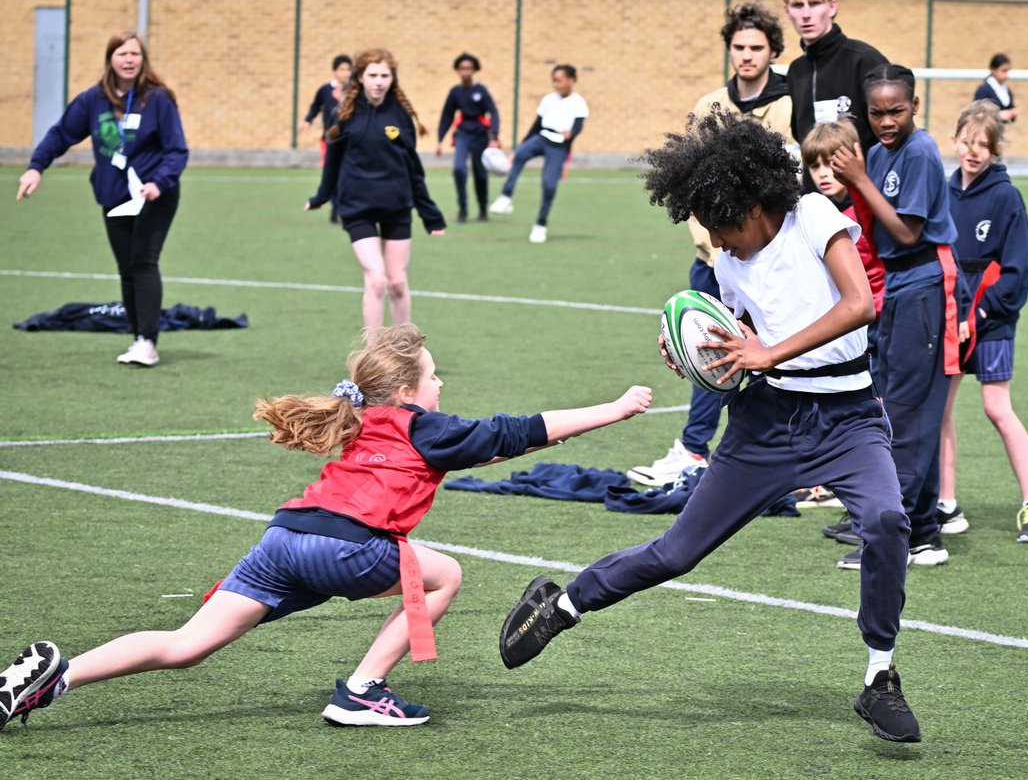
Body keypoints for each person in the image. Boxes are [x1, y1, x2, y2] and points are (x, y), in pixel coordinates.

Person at [500, 109, 924, 744]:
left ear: (755, 204)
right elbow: (738, 352)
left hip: (848, 419)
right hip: (767, 425)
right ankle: (562, 604)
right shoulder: (728, 266)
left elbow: (858, 305)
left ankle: (879, 676)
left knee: (888, 522)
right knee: (677, 553)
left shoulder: (813, 218)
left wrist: (768, 352)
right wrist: (701, 360)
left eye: (723, 227)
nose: (718, 243)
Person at [0, 324, 654, 730]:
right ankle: (363, 690)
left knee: (186, 643)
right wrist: (617, 409)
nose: (441, 381)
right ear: (405, 392)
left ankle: (58, 674)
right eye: (432, 376)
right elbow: (520, 431)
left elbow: (497, 445)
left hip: (280, 540)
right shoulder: (425, 426)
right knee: (444, 573)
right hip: (345, 547)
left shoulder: (360, 418)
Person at [627, 1, 793, 487]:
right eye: (739, 47)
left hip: (769, 257)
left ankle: (792, 459)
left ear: (772, 51)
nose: (746, 55)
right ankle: (694, 451)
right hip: (715, 260)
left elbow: (784, 183)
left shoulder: (786, 104)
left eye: (756, 48)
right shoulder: (709, 104)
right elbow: (691, 187)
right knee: (706, 352)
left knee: (778, 355)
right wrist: (712, 243)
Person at [830, 64, 963, 570]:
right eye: (876, 113)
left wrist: (859, 178)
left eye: (896, 111)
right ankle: (923, 532)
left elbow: (908, 234)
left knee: (905, 415)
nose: (886, 121)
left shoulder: (921, 152)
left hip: (924, 283)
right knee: (904, 411)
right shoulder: (884, 151)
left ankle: (896, 540)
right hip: (898, 287)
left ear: (915, 106)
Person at [16, 31, 188, 368]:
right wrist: (36, 167)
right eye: (122, 53)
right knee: (127, 269)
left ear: (143, 60)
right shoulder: (93, 100)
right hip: (114, 197)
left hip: (154, 195)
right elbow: (61, 133)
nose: (128, 60)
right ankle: (138, 337)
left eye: (135, 54)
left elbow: (177, 150)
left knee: (143, 261)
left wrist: (158, 182)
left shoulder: (158, 99)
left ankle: (149, 343)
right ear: (110, 58)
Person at [939, 100, 1028, 542]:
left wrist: (981, 312)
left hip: (992, 319)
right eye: (967, 143)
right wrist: (954, 311)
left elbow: (1015, 273)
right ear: (954, 142)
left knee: (996, 407)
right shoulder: (942, 193)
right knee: (940, 410)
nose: (973, 152)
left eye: (983, 146)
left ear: (996, 150)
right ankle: (945, 504)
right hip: (950, 318)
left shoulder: (1007, 197)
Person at [305, 48, 446, 331]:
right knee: (376, 279)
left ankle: (405, 351)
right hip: (357, 208)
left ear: (393, 78)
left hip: (396, 206)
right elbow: (331, 163)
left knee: (396, 281)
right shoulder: (343, 114)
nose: (379, 81)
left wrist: (430, 215)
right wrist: (321, 197)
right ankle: (373, 358)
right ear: (359, 77)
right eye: (372, 75)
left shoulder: (401, 116)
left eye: (385, 75)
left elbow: (413, 169)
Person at [799, 118, 887, 534]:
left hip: (878, 327)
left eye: (831, 164)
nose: (823, 174)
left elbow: (880, 275)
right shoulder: (817, 215)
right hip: (846, 335)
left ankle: (883, 506)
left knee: (877, 417)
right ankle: (845, 497)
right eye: (814, 166)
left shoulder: (860, 214)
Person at [781, 0, 888, 152]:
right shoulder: (796, 72)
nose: (806, 14)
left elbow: (890, 132)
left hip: (863, 177)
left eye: (815, 3)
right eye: (798, 5)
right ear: (787, 11)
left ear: (832, 7)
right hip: (814, 178)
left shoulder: (864, 61)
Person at [488, 64, 588, 244]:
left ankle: (540, 225)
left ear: (571, 80)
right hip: (541, 137)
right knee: (519, 156)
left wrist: (571, 134)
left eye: (559, 80)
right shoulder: (549, 99)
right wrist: (521, 146)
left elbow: (578, 125)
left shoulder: (578, 102)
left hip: (558, 145)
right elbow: (537, 124)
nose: (556, 85)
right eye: (553, 81)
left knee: (549, 185)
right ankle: (506, 197)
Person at [436, 52, 501, 224]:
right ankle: (463, 209)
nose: (466, 72)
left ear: (474, 70)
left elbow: (493, 112)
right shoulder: (455, 92)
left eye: (469, 68)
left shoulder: (481, 90)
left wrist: (494, 136)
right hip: (463, 133)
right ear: (458, 70)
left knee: (480, 173)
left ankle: (482, 209)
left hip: (480, 134)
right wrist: (439, 139)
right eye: (462, 68)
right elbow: (447, 115)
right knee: (459, 169)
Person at [299, 53, 352, 224]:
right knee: (331, 171)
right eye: (341, 70)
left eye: (348, 70)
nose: (345, 73)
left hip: (348, 140)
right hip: (329, 139)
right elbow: (315, 106)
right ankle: (335, 205)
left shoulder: (354, 91)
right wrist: (307, 121)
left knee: (346, 173)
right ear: (334, 71)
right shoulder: (325, 90)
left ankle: (343, 207)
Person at [973, 53, 1019, 125]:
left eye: (1007, 71)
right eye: (1003, 71)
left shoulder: (1007, 90)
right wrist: (998, 116)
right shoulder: (983, 90)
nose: (1006, 75)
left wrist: (1012, 113)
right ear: (993, 70)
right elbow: (977, 114)